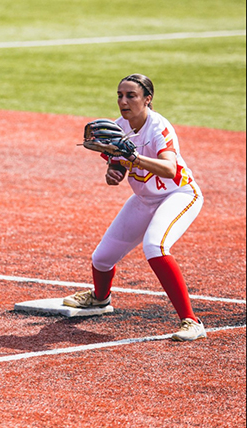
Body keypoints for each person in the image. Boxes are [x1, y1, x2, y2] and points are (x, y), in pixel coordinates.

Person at [64, 73, 205, 341]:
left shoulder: (158, 127)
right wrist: (113, 172)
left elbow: (169, 168)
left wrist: (135, 158)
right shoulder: (118, 128)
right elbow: (117, 164)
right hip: (144, 200)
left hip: (179, 194)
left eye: (131, 95)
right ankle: (99, 299)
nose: (123, 101)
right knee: (102, 259)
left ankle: (192, 322)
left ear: (147, 99)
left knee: (155, 246)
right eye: (120, 95)